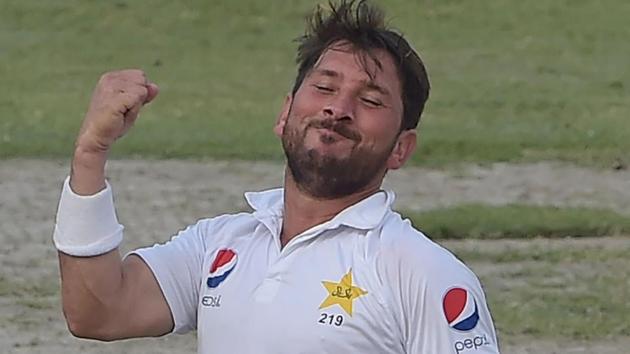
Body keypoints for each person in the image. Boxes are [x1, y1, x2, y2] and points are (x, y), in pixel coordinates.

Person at [53, 0, 500, 353]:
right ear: (285, 113)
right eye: (324, 87)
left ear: (402, 147)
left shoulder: (422, 274)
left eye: (370, 100)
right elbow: (98, 313)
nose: (337, 108)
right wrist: (90, 154)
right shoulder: (221, 245)